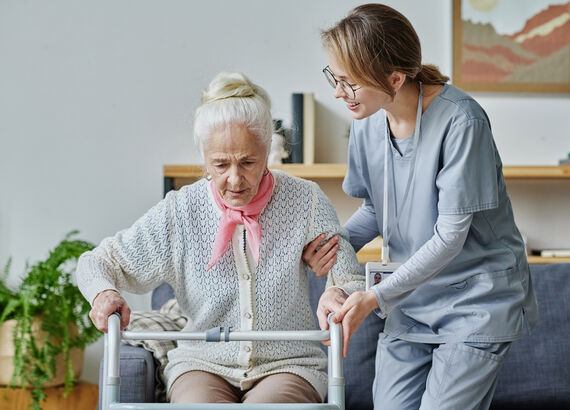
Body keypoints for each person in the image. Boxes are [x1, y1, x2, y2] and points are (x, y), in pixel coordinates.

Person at [76, 72, 363, 404]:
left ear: (268, 148)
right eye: (221, 164)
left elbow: (351, 276)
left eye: (248, 162)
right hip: (201, 365)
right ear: (203, 159)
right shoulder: (179, 213)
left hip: (289, 365)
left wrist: (337, 293)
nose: (235, 179)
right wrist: (103, 295)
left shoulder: (305, 201)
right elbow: (97, 262)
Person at [304, 4, 539, 410]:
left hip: (474, 303)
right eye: (333, 78)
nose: (337, 93)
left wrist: (373, 298)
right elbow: (377, 212)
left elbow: (450, 237)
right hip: (410, 303)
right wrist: (331, 253)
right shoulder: (365, 124)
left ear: (394, 78)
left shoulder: (462, 122)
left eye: (348, 83)